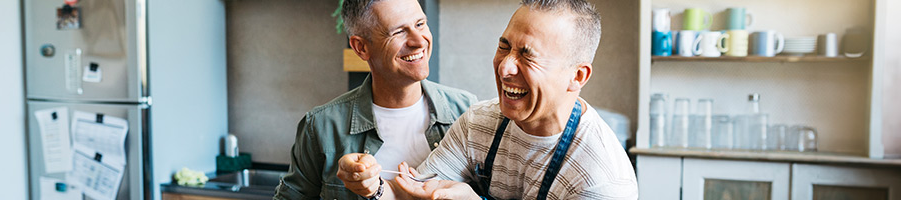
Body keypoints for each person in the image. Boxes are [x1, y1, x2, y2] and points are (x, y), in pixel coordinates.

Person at [336, 0, 638, 199]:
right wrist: (372, 186)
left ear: (578, 76)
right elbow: (412, 193)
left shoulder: (602, 181)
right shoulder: (479, 122)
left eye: (527, 56)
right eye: (504, 47)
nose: (505, 67)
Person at [272, 0, 478, 199]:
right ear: (361, 47)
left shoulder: (468, 112)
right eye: (398, 32)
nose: (418, 41)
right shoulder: (320, 126)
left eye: (420, 24)